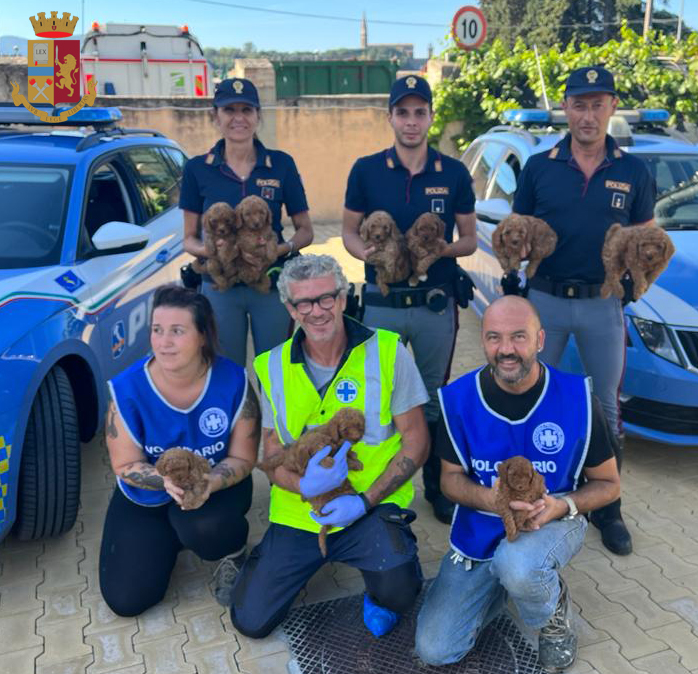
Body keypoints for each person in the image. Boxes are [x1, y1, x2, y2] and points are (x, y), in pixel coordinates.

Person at [415, 296, 620, 672]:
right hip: (479, 525)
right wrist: (491, 500)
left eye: (518, 337)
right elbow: (448, 481)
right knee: (436, 649)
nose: (506, 349)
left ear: (540, 339)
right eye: (494, 337)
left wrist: (563, 505)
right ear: (483, 340)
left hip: (553, 518)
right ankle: (506, 582)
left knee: (519, 565)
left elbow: (609, 484)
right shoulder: (458, 399)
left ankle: (552, 614)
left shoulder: (577, 397)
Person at [230, 254, 429, 638]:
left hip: (368, 507)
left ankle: (389, 571)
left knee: (400, 594)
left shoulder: (388, 351)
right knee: (250, 621)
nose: (316, 311)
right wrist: (303, 486)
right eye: (303, 302)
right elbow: (271, 454)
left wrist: (365, 500)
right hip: (301, 512)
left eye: (325, 298)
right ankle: (290, 564)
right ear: (290, 307)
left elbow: (417, 441)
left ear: (342, 298)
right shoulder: (269, 366)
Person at [511, 65, 656, 556]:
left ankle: (607, 509)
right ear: (566, 108)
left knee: (610, 409)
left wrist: (635, 285)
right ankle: (534, 499)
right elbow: (518, 231)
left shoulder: (634, 171)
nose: (588, 114)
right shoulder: (539, 166)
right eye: (579, 103)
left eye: (598, 103)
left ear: (612, 106)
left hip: (601, 303)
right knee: (535, 399)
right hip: (546, 301)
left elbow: (647, 240)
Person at [342, 75, 477, 524]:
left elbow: (471, 239)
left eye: (420, 112)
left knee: (434, 399)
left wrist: (441, 250)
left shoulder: (453, 173)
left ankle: (438, 488)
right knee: (379, 398)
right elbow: (346, 229)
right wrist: (367, 254)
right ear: (391, 118)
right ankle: (376, 486)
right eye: (403, 112)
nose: (412, 121)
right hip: (382, 303)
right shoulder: (365, 170)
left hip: (435, 304)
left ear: (431, 117)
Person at [99, 285, 260, 616]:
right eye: (157, 330)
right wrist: (165, 483)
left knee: (203, 527)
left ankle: (232, 553)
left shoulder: (233, 380)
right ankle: (167, 537)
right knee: (127, 600)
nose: (164, 342)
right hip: (147, 494)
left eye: (177, 331)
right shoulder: (128, 389)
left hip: (214, 490)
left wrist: (209, 483)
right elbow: (125, 463)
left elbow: (244, 458)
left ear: (202, 335)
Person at [180, 77, 314, 366]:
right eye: (229, 110)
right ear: (215, 116)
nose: (238, 118)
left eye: (247, 110)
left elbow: (305, 230)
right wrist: (217, 252)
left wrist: (279, 249)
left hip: (270, 282)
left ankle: (273, 414)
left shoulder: (281, 164)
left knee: (276, 369)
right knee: (226, 369)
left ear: (258, 116)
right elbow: (189, 238)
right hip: (220, 287)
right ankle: (237, 414)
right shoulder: (196, 169)